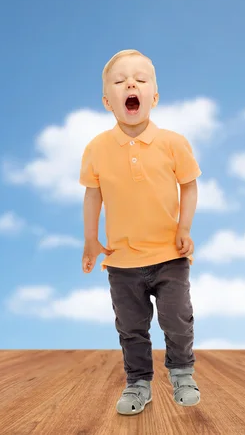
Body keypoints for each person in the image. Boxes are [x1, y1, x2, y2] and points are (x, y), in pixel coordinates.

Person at [79, 49, 201, 415]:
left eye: (140, 79)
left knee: (177, 320)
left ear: (154, 97)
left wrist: (184, 228)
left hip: (169, 256)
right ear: (107, 102)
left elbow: (189, 185)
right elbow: (93, 194)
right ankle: (138, 383)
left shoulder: (173, 143)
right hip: (122, 260)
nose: (130, 84)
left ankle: (182, 373)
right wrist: (89, 238)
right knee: (131, 329)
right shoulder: (97, 148)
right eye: (120, 81)